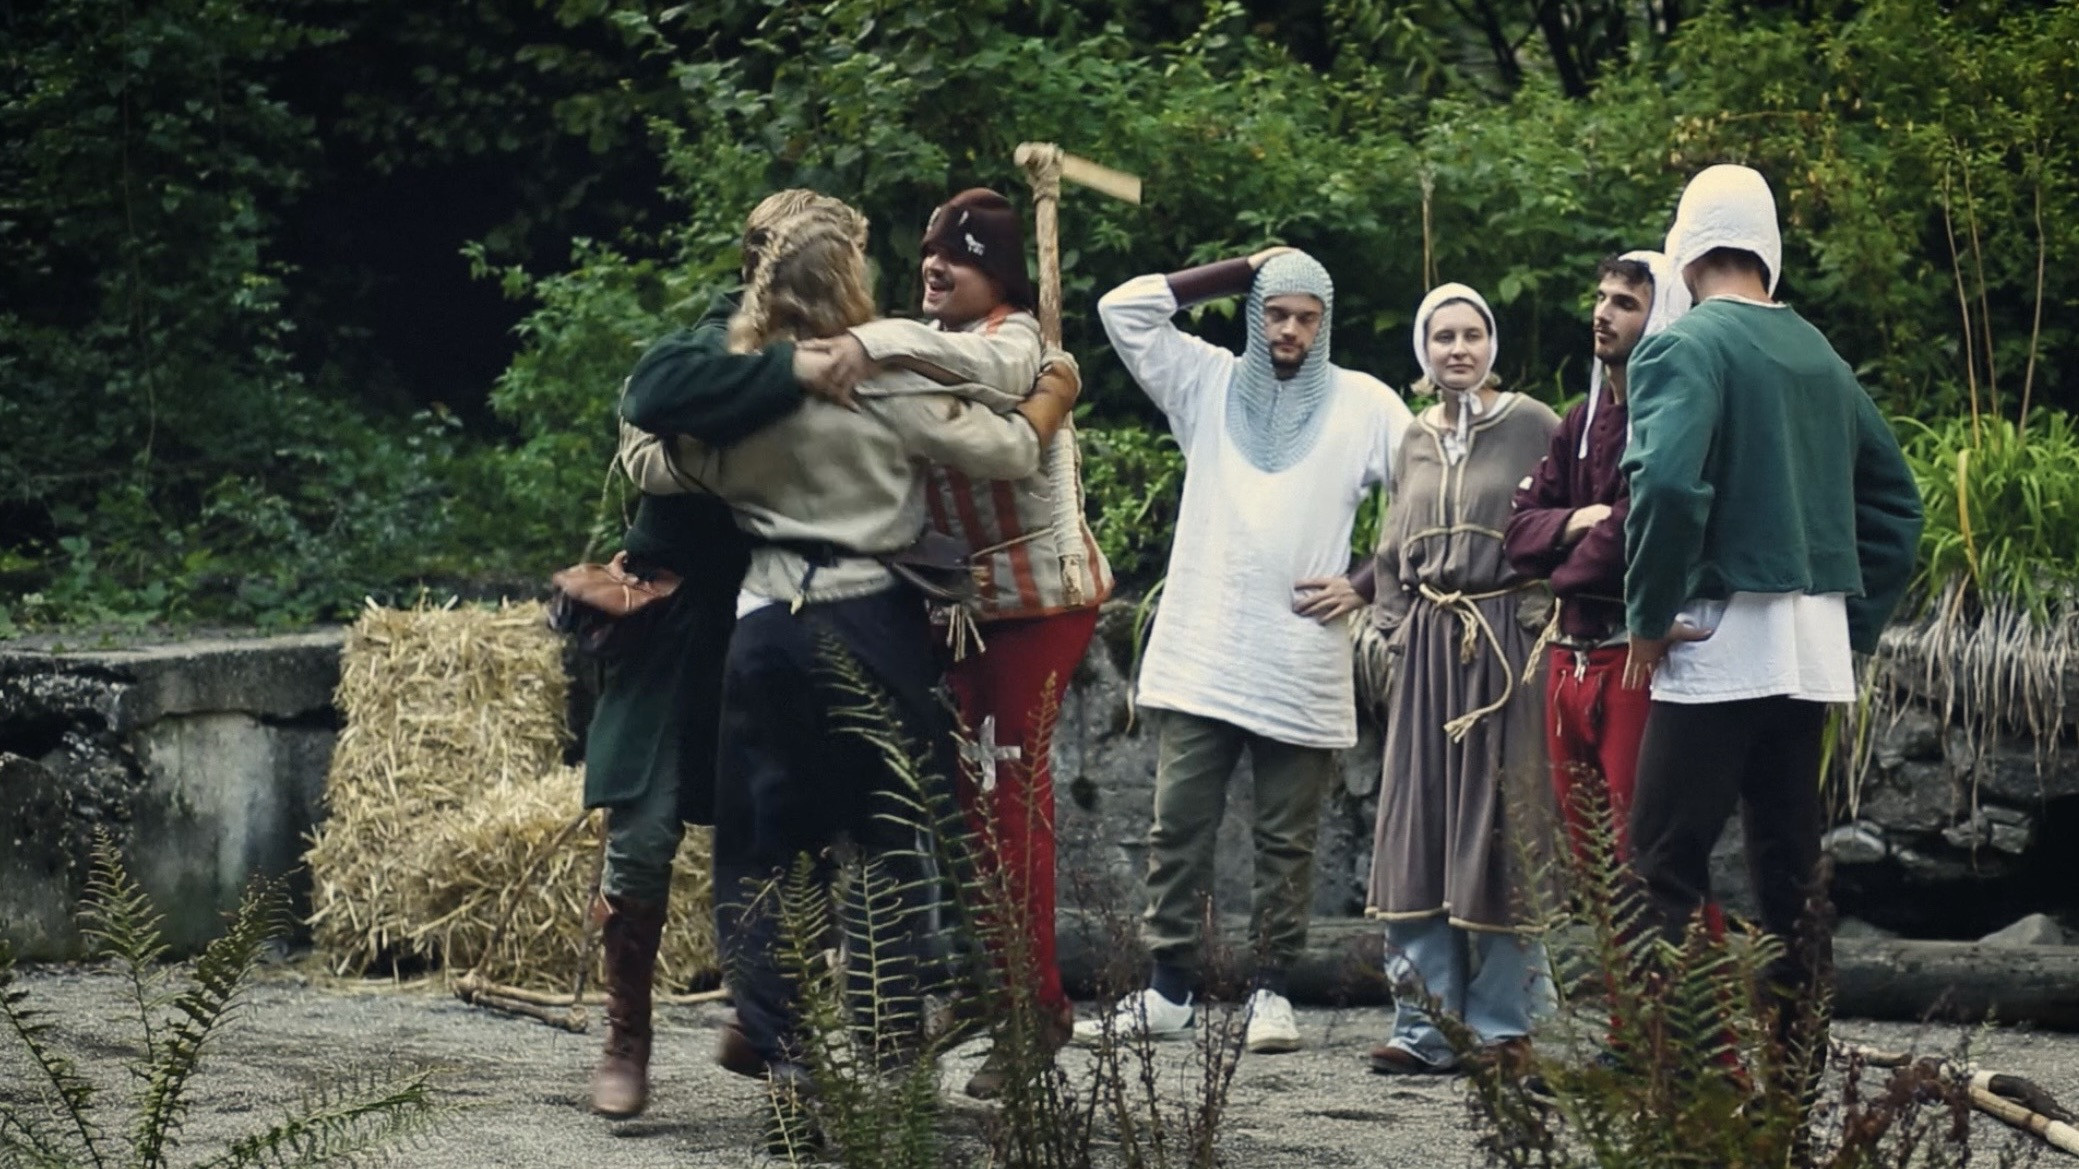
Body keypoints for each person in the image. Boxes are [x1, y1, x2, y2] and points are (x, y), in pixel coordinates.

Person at [617, 198, 1082, 1129]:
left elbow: (659, 464)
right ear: (849, 283)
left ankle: (785, 1058)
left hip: (765, 631)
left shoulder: (738, 393)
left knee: (763, 855)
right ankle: (886, 1050)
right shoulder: (887, 381)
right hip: (870, 621)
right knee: (887, 840)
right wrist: (1052, 394)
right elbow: (1004, 450)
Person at [799, 189, 1112, 1098]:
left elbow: (982, 367)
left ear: (1000, 274)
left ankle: (1033, 1007)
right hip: (959, 610)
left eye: (961, 255)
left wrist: (868, 345)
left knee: (1007, 804)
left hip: (1038, 605)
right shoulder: (928, 346)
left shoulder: (1020, 342)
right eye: (931, 251)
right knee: (958, 809)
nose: (935, 265)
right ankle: (989, 985)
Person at [1620, 165, 1922, 1082]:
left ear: (1684, 247)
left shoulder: (1684, 346)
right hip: (1809, 656)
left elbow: (1665, 486)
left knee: (1660, 868)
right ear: (1766, 247)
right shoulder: (1819, 357)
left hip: (1715, 643)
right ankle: (1788, 1095)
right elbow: (1896, 506)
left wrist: (1648, 614)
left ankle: (1676, 1090)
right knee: (1791, 879)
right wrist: (1847, 622)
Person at [1083, 246, 1411, 1054]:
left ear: (1324, 325)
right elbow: (1121, 309)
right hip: (1204, 649)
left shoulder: (1365, 402)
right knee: (1176, 828)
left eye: (1306, 317)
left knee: (1284, 842)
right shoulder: (1206, 380)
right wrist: (1242, 269)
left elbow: (1432, 496)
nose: (1290, 329)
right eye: (1276, 312)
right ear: (1255, 315)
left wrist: (1365, 579)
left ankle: (1270, 988)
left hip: (1299, 656)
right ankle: (1167, 989)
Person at [584, 189, 856, 1120]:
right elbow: (657, 395)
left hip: (782, 618)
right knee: (644, 832)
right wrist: (782, 386)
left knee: (792, 833)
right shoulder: (712, 338)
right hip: (680, 624)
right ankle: (627, 1034)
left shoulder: (858, 350)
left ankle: (766, 1017)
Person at [1365, 282, 1560, 1076]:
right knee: (1419, 825)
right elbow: (1390, 546)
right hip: (1428, 652)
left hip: (1504, 651)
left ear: (1490, 344)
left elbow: (1562, 522)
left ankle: (1504, 1025)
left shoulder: (1533, 423)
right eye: (1442, 336)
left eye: (1471, 334)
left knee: (1502, 823)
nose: (1457, 348)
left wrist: (1538, 619)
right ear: (1424, 349)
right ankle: (1424, 1023)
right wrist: (1396, 629)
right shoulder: (1414, 437)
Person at [1504, 252, 1690, 861]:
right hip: (1570, 658)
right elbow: (1516, 535)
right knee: (1588, 859)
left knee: (1641, 853)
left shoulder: (1672, 420)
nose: (1603, 313)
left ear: (1659, 320)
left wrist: (1560, 567)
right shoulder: (1579, 422)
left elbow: (1631, 533)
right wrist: (1577, 522)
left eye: (1625, 304)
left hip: (1637, 659)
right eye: (1602, 298)